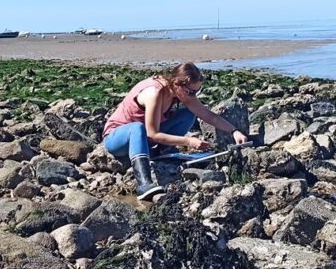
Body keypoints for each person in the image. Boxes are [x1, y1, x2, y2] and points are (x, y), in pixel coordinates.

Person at [102, 62, 248, 200]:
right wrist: (188, 141)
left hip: (143, 137)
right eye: (191, 91)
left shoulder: (181, 93)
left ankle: (162, 153)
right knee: (137, 128)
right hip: (117, 138)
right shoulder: (155, 92)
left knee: (188, 114)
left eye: (197, 91)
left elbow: (209, 115)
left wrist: (234, 131)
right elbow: (152, 133)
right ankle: (144, 183)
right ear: (177, 84)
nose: (193, 96)